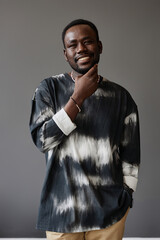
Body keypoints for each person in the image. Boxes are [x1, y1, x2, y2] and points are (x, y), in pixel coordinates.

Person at [29, 19, 140, 240]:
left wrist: (127, 196)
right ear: (65, 53)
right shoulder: (48, 89)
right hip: (62, 210)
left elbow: (131, 154)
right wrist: (77, 97)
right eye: (73, 45)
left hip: (109, 213)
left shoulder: (121, 97)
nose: (81, 48)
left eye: (87, 42)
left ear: (99, 47)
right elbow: (43, 141)